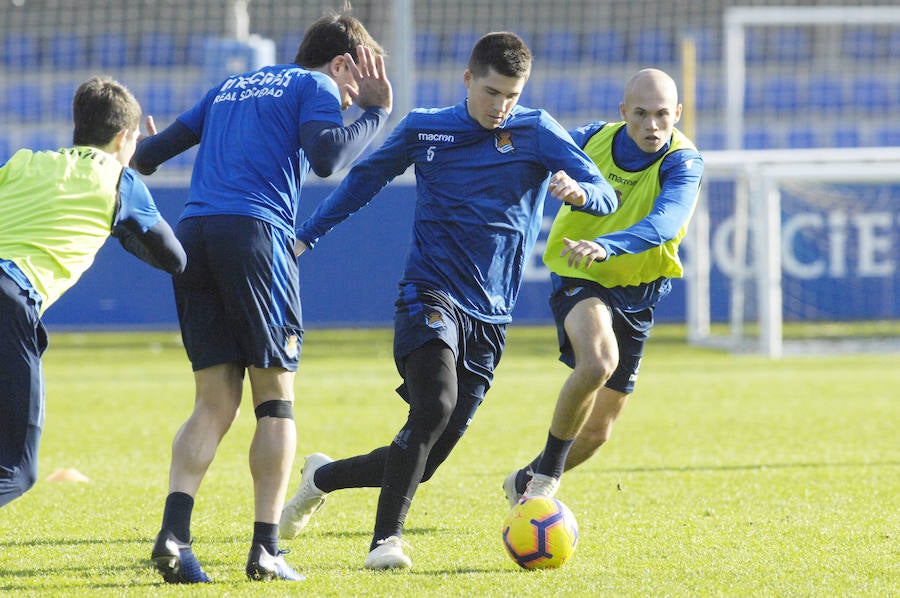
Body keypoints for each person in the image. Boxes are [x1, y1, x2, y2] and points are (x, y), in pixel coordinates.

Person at [278, 31, 618, 570]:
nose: (501, 107)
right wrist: (305, 236)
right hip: (428, 292)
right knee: (431, 406)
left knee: (423, 459)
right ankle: (385, 542)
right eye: (491, 93)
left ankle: (321, 477)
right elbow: (362, 181)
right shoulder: (424, 127)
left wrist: (582, 195)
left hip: (490, 316)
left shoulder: (536, 131)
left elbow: (605, 191)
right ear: (467, 80)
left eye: (512, 95)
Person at [131, 10, 393, 584]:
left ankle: (175, 536)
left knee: (213, 401)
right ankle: (266, 550)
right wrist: (376, 113)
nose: (349, 98)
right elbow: (327, 158)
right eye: (355, 81)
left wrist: (142, 146)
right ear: (342, 61)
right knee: (275, 400)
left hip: (193, 236)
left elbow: (147, 157)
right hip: (255, 235)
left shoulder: (230, 85)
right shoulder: (317, 83)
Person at [502, 68, 704, 507]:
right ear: (622, 112)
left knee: (596, 433)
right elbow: (526, 153)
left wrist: (607, 245)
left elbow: (665, 223)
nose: (652, 126)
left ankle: (526, 478)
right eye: (641, 114)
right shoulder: (589, 139)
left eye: (663, 115)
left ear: (678, 113)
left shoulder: (684, 161)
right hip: (581, 270)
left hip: (637, 286)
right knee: (597, 363)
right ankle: (544, 483)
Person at [0, 76, 187, 509]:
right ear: (124, 136)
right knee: (17, 470)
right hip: (11, 300)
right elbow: (175, 259)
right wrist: (124, 225)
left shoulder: (25, 162)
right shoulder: (122, 184)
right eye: (136, 137)